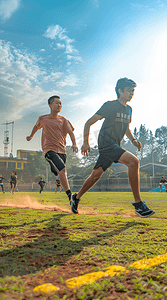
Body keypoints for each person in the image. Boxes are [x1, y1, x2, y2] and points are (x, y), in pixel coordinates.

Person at [71, 77, 155, 218]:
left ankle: (76, 198)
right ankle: (138, 204)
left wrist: (133, 139)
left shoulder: (129, 109)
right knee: (134, 162)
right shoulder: (109, 105)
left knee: (95, 176)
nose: (131, 93)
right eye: (129, 90)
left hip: (115, 145)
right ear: (120, 90)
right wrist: (85, 142)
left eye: (133, 91)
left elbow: (126, 127)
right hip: (106, 143)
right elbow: (88, 123)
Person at [26, 95, 78, 203]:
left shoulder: (63, 120)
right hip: (49, 149)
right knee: (63, 169)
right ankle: (70, 196)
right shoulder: (43, 119)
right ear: (50, 105)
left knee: (59, 172)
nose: (59, 105)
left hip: (62, 151)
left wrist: (74, 144)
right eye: (57, 103)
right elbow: (36, 127)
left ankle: (54, 168)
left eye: (60, 103)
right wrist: (31, 136)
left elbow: (70, 132)